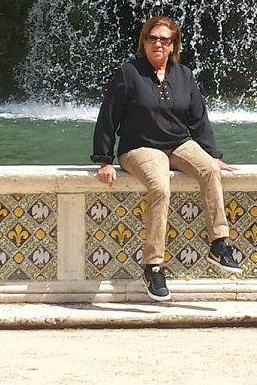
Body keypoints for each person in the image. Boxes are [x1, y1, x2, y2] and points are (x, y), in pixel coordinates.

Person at [92, 15, 243, 301]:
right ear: (143, 42)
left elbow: (199, 118)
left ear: (174, 45)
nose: (158, 44)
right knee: (160, 187)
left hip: (178, 142)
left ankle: (219, 244)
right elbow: (108, 117)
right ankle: (154, 265)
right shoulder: (128, 73)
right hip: (140, 146)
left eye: (165, 39)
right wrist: (104, 159)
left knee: (210, 170)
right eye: (152, 38)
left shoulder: (184, 74)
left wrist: (213, 155)